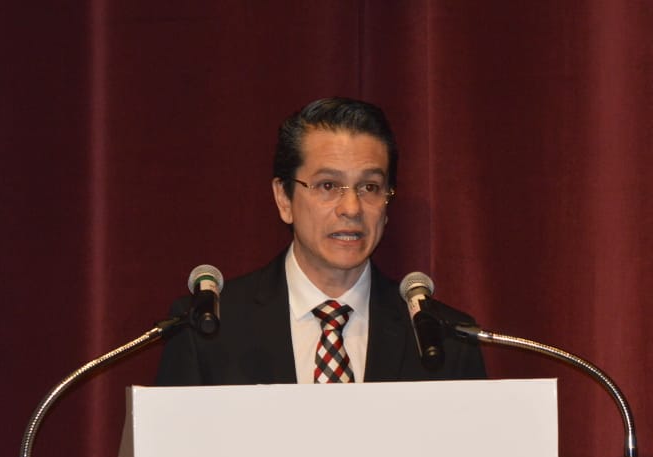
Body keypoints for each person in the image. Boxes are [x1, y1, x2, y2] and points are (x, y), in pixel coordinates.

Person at [156, 97, 485, 386]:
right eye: (328, 185)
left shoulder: (444, 338)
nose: (352, 208)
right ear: (284, 198)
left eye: (370, 187)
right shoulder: (207, 328)